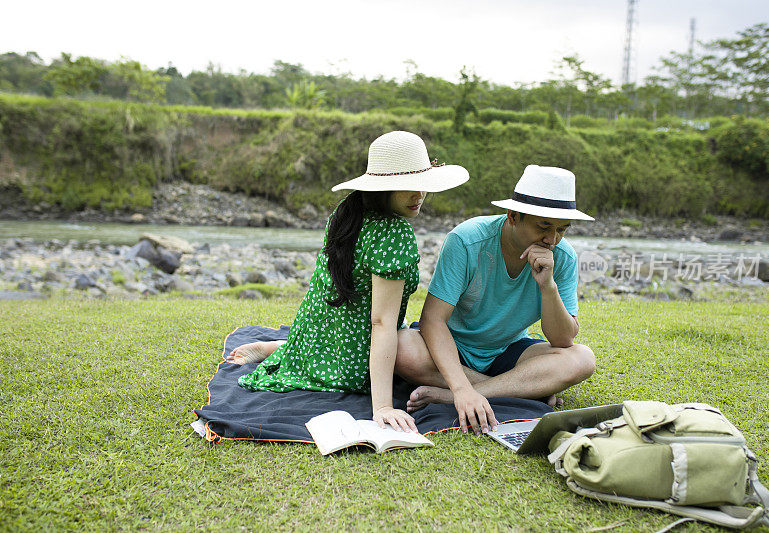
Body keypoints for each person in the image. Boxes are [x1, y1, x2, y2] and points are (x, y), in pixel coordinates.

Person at [231, 131, 469, 434]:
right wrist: (382, 406)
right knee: (409, 344)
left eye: (422, 185)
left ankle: (284, 348)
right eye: (407, 186)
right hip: (350, 357)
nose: (418, 195)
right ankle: (498, 386)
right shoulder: (394, 235)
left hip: (317, 335)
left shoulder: (348, 210)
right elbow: (382, 323)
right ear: (385, 187)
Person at [394, 165, 597, 435]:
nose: (552, 239)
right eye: (544, 226)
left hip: (507, 350)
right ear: (513, 216)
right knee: (402, 346)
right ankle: (521, 388)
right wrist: (462, 388)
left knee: (583, 358)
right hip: (451, 347)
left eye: (562, 229)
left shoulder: (563, 257)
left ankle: (452, 394)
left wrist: (548, 286)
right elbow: (433, 320)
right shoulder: (467, 240)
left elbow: (563, 340)